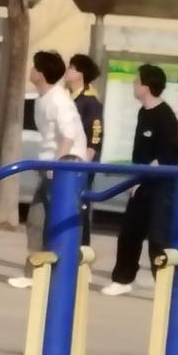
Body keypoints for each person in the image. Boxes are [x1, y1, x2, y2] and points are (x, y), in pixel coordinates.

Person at [104, 64, 178, 297]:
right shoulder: (144, 112)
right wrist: (136, 179)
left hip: (162, 186)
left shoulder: (165, 116)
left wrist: (153, 167)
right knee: (129, 233)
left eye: (136, 81)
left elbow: (176, 155)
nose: (133, 85)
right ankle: (122, 279)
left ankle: (168, 286)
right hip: (141, 182)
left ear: (146, 86)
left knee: (158, 237)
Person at [8, 51, 86, 289]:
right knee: (36, 220)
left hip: (67, 169)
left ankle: (64, 274)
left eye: (34, 67)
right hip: (52, 166)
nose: (31, 71)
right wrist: (44, 162)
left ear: (41, 74)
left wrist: (57, 164)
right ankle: (34, 273)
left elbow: (69, 134)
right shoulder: (42, 98)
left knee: (60, 223)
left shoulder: (59, 100)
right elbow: (49, 138)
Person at [66, 54, 103, 246]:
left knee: (79, 204)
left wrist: (88, 156)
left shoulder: (90, 101)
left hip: (82, 162)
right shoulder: (70, 97)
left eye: (71, 68)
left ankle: (82, 247)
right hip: (68, 160)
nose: (67, 71)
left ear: (80, 74)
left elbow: (95, 131)